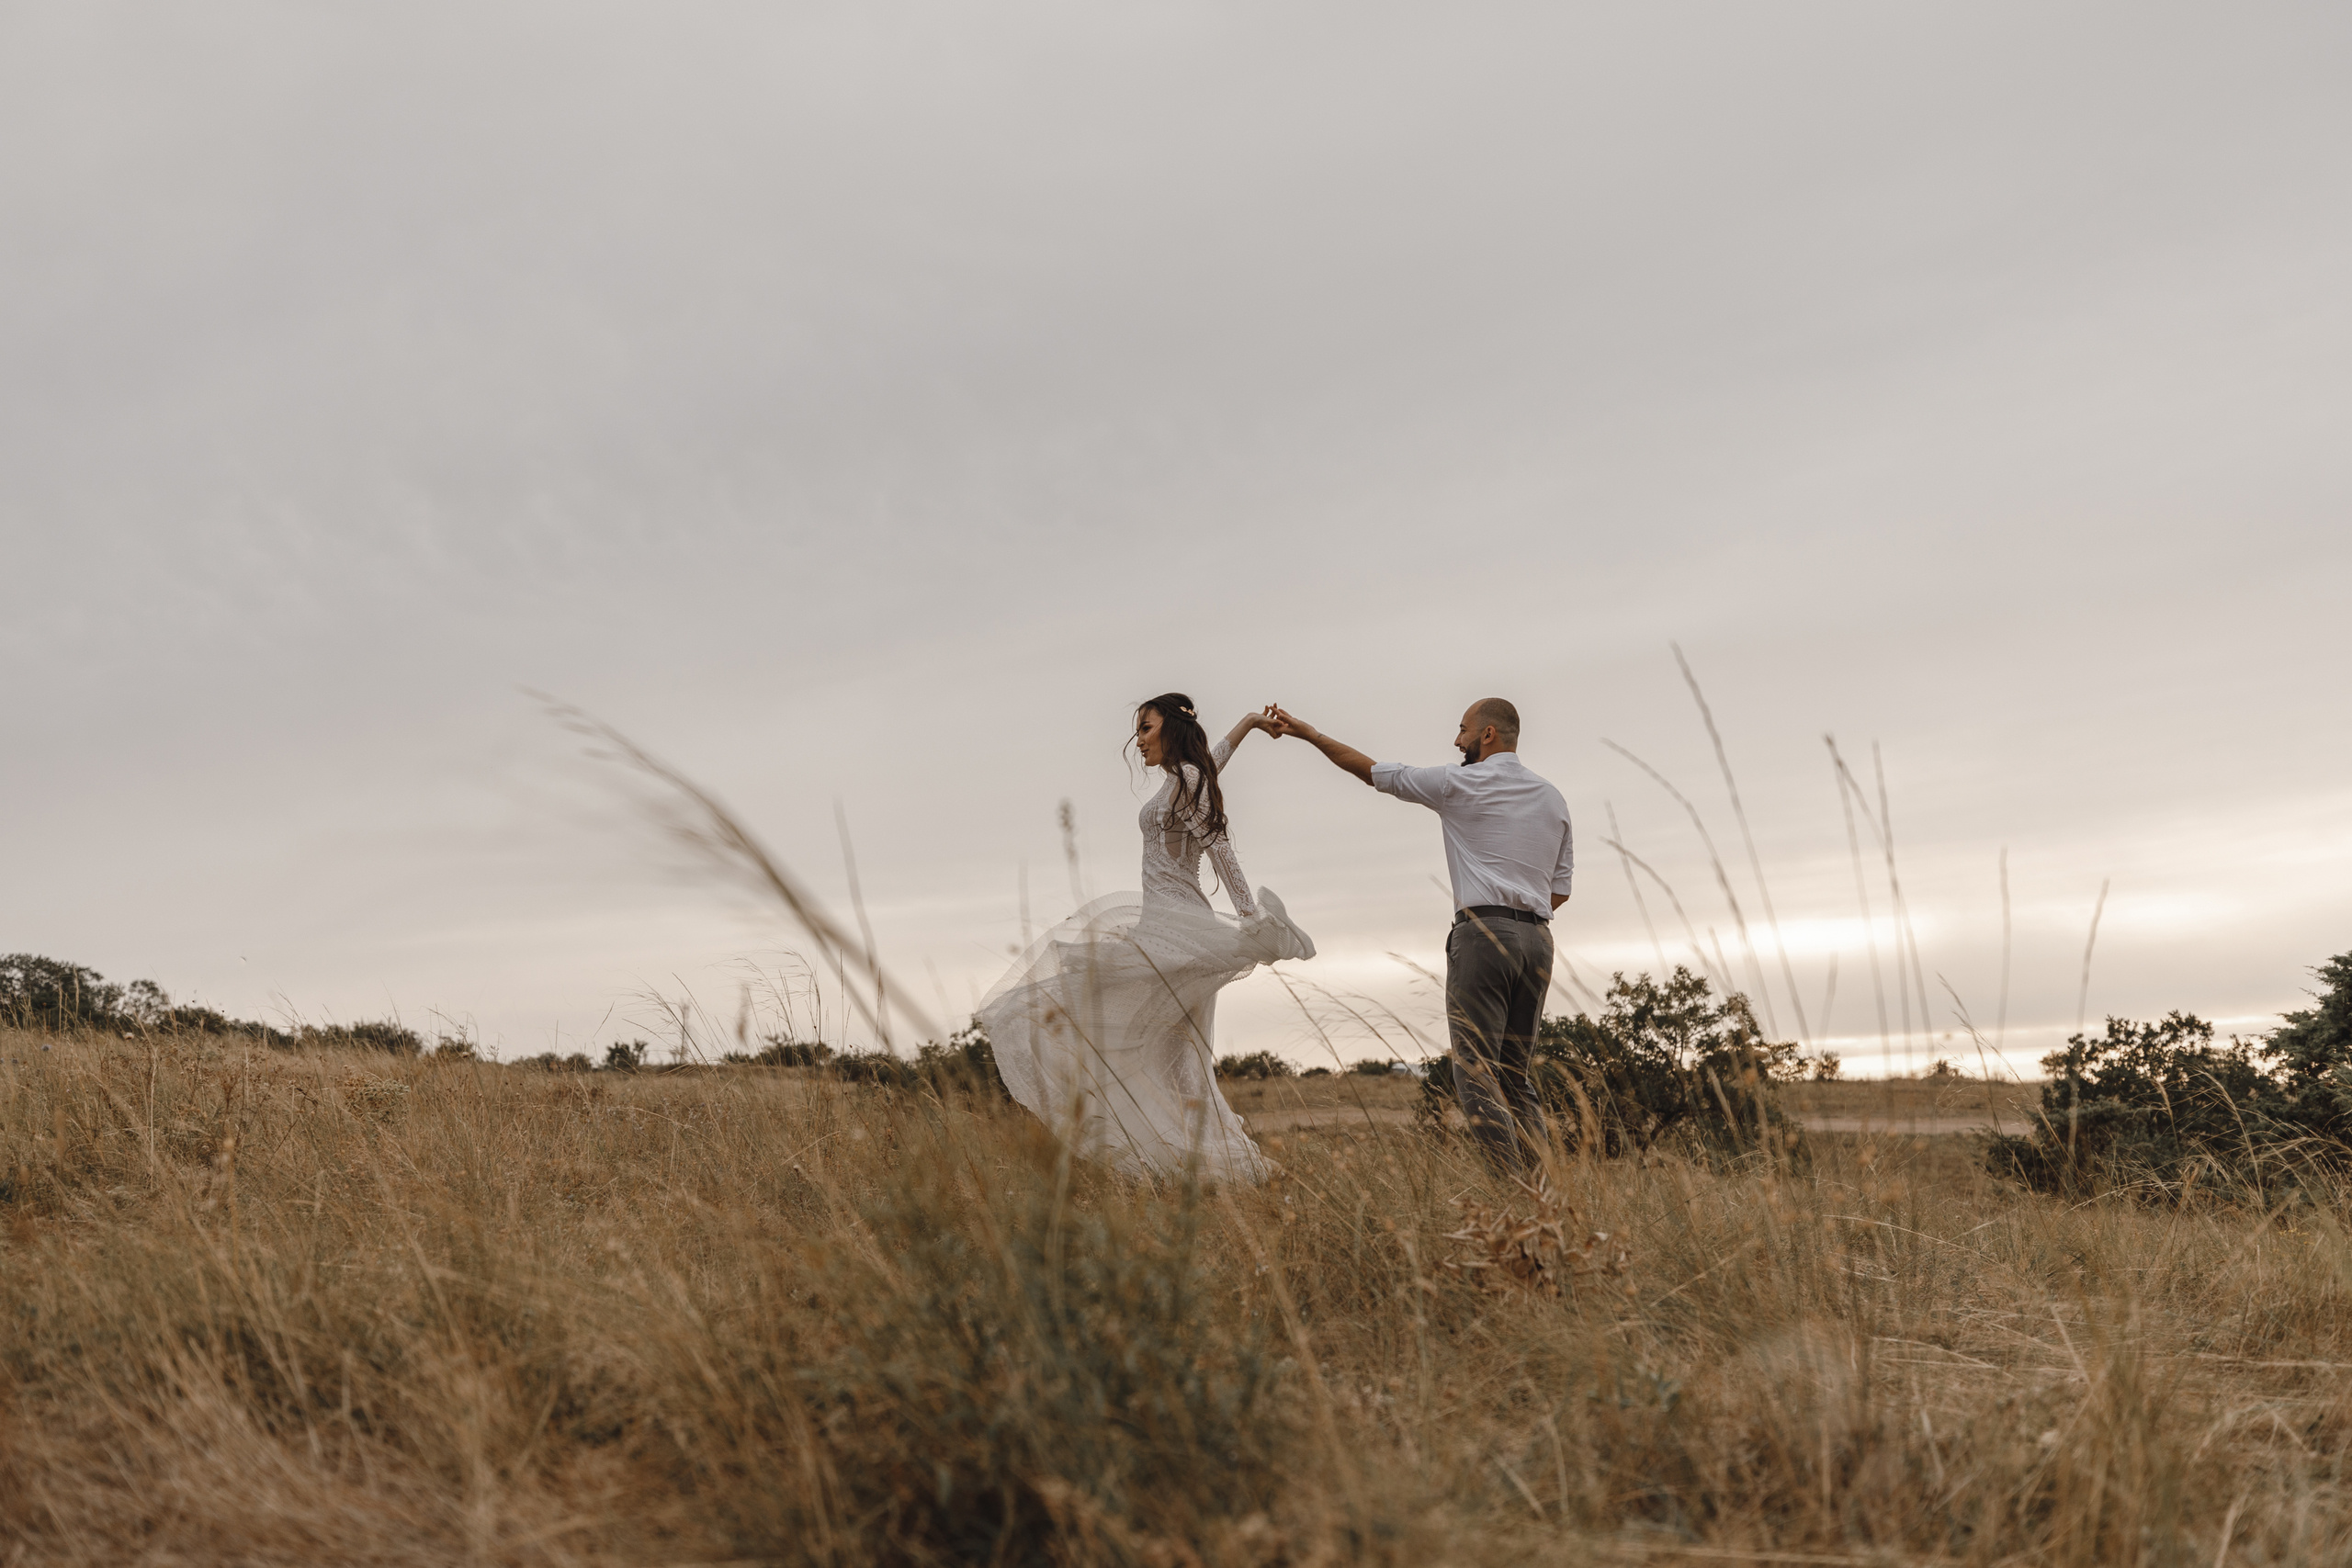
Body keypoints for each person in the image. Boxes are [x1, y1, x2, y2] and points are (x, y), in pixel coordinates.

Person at [978, 694, 1315, 1183]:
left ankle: (1207, 1164)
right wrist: (1247, 724)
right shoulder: (1185, 777)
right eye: (1138, 731)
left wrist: (1251, 917)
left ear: (1170, 731)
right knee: (1171, 1054)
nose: (1138, 740)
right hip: (1160, 925)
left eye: (1146, 729)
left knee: (1150, 1043)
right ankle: (1190, 1165)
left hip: (1179, 930)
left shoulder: (1190, 780)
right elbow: (1212, 760)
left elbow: (1218, 846)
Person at [1265, 698, 1571, 1174]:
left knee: (1476, 1070)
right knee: (1517, 1077)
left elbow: (1368, 770)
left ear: (1488, 735)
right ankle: (1545, 1194)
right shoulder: (1553, 798)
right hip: (1538, 941)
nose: (1457, 740)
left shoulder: (1458, 783)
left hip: (1483, 933)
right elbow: (1558, 891)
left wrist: (1307, 732)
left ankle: (1514, 1190)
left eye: (1464, 729)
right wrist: (1520, 921)